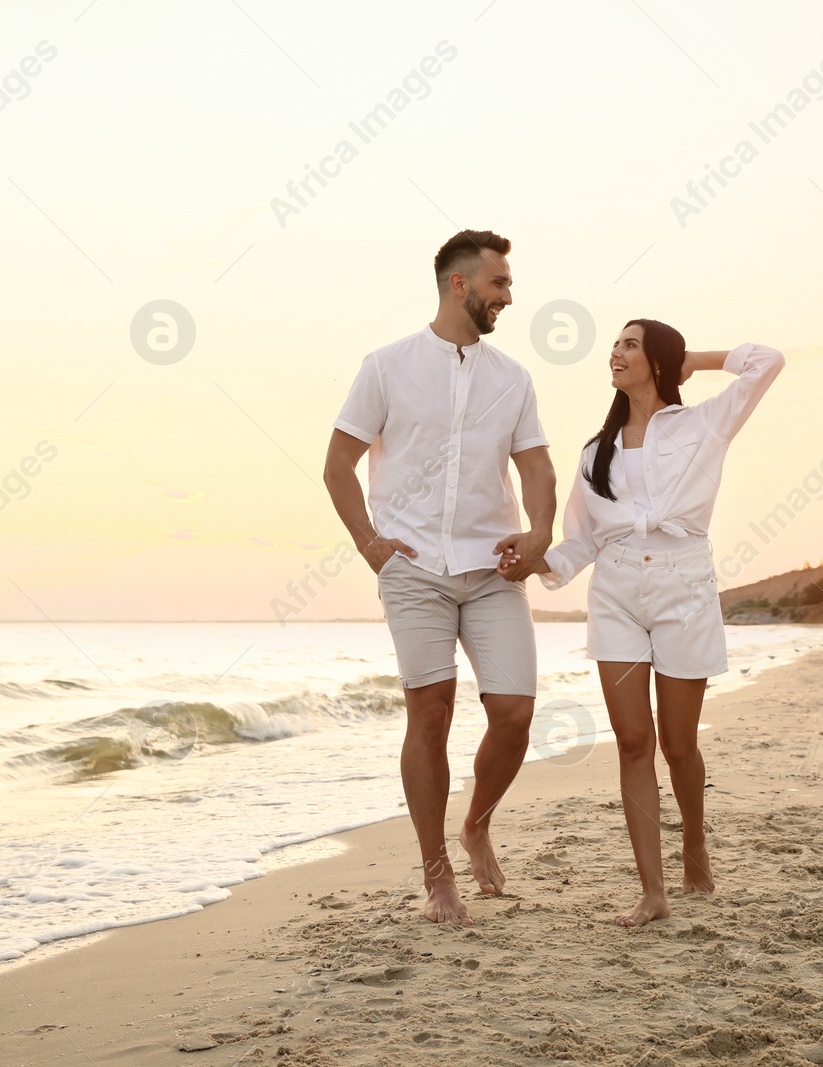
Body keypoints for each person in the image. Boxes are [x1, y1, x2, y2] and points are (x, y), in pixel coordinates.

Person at [497, 319, 783, 927]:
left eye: (631, 344)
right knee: (633, 742)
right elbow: (580, 542)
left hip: (685, 590)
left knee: (680, 746)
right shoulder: (594, 452)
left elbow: (768, 361)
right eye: (616, 345)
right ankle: (651, 892)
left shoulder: (704, 423)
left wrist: (687, 359)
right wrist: (535, 562)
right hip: (618, 593)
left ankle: (695, 844)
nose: (616, 354)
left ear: (655, 358)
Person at [324, 230, 556, 926]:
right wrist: (370, 543)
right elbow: (339, 464)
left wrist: (539, 533)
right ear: (460, 284)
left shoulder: (512, 377)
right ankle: (437, 876)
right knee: (430, 712)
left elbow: (537, 467)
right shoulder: (387, 366)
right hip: (414, 568)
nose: (508, 297)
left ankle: (477, 821)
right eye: (499, 284)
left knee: (514, 712)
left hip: (493, 569)